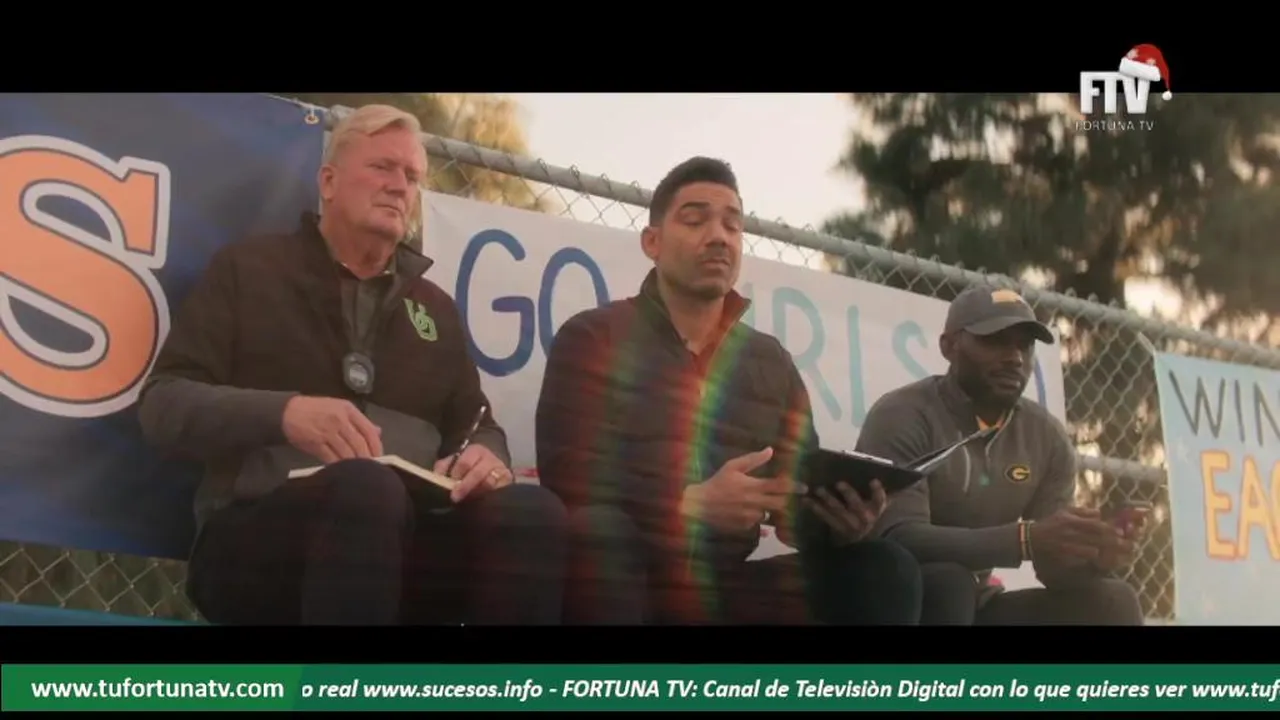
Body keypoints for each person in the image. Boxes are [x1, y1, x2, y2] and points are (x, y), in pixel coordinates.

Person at [137, 104, 567, 625]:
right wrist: (285, 414)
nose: (399, 186)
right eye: (382, 167)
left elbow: (478, 424)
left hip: (407, 543)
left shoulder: (435, 308)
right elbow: (163, 403)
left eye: (412, 176)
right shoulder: (249, 270)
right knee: (366, 488)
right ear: (328, 181)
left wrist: (485, 454)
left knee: (532, 514)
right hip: (255, 543)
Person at [535, 156, 922, 625]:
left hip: (726, 587)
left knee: (883, 569)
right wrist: (686, 504)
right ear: (652, 242)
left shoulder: (769, 360)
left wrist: (838, 523)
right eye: (695, 220)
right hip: (628, 575)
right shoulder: (595, 336)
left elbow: (793, 496)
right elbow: (566, 474)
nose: (719, 236)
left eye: (733, 225)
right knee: (600, 532)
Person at [860, 285, 1145, 625]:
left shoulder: (1045, 436)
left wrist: (1095, 556)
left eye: (1025, 345)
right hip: (893, 603)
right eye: (995, 341)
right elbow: (899, 537)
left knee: (1114, 601)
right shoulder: (905, 414)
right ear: (949, 346)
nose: (1015, 358)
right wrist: (1023, 539)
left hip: (976, 607)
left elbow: (1053, 568)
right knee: (949, 582)